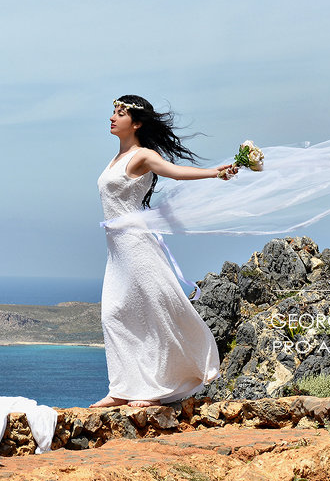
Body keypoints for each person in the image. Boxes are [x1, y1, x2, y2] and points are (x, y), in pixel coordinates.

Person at [91, 95, 236, 409]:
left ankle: (152, 388)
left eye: (120, 114)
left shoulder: (142, 155)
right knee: (114, 314)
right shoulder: (116, 159)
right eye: (113, 112)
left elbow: (175, 171)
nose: (112, 118)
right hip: (117, 251)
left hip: (137, 246)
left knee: (154, 310)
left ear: (137, 123)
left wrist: (215, 172)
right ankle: (121, 388)